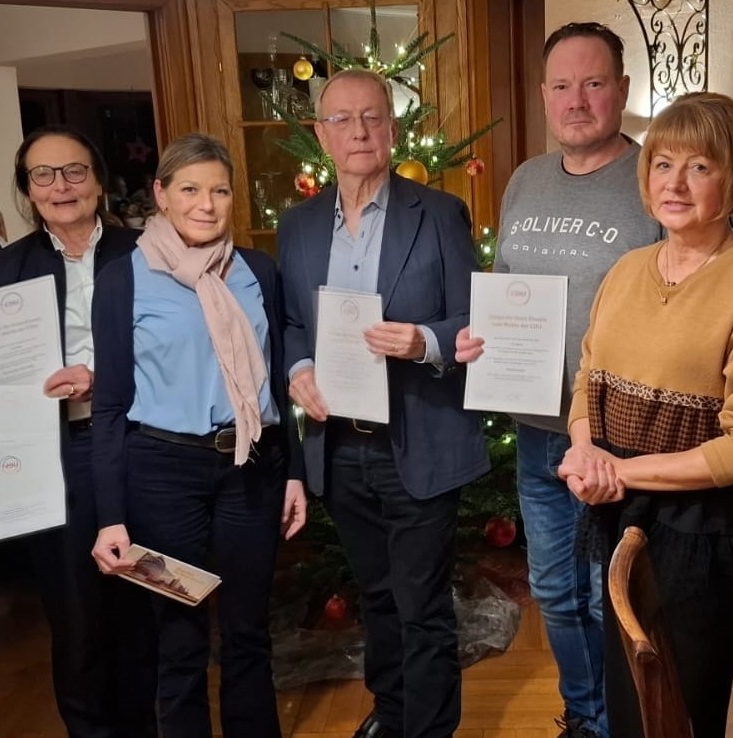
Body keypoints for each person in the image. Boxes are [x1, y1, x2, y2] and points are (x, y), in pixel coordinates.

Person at [453, 23, 733, 738]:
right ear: (542, 95)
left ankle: (627, 725)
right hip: (544, 437)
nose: (576, 100)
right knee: (557, 595)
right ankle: (585, 720)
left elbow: (722, 276)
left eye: (593, 83)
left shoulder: (658, 173)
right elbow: (507, 293)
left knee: (608, 598)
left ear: (621, 91)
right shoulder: (525, 179)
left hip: (629, 449)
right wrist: (481, 339)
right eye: (561, 85)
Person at [558, 91, 733, 738]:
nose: (674, 182)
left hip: (700, 532)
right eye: (663, 163)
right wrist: (585, 451)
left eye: (699, 166)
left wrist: (620, 470)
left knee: (678, 709)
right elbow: (588, 378)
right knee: (627, 701)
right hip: (618, 515)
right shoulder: (626, 270)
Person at [0, 124, 158, 738]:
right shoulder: (2, 268)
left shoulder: (151, 251)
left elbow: (178, 348)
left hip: (146, 449)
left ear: (99, 180)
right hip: (57, 458)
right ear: (27, 191)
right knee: (76, 618)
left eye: (75, 170)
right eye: (43, 175)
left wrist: (101, 377)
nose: (61, 186)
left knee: (148, 609)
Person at [278, 68, 490, 738]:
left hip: (418, 440)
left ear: (392, 130)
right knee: (376, 596)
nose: (359, 131)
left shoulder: (439, 213)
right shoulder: (299, 225)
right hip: (340, 447)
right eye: (342, 119)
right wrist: (301, 367)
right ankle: (391, 710)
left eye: (371, 117)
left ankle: (427, 730)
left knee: (421, 602)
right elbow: (289, 324)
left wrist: (424, 340)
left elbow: (472, 323)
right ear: (321, 134)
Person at [90, 132, 306, 738]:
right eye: (189, 189)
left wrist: (292, 472)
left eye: (219, 190)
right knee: (179, 635)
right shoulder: (122, 279)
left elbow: (275, 384)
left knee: (247, 631)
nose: (205, 204)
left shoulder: (258, 272)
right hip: (161, 476)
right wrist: (111, 516)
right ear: (161, 194)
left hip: (249, 472)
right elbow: (108, 407)